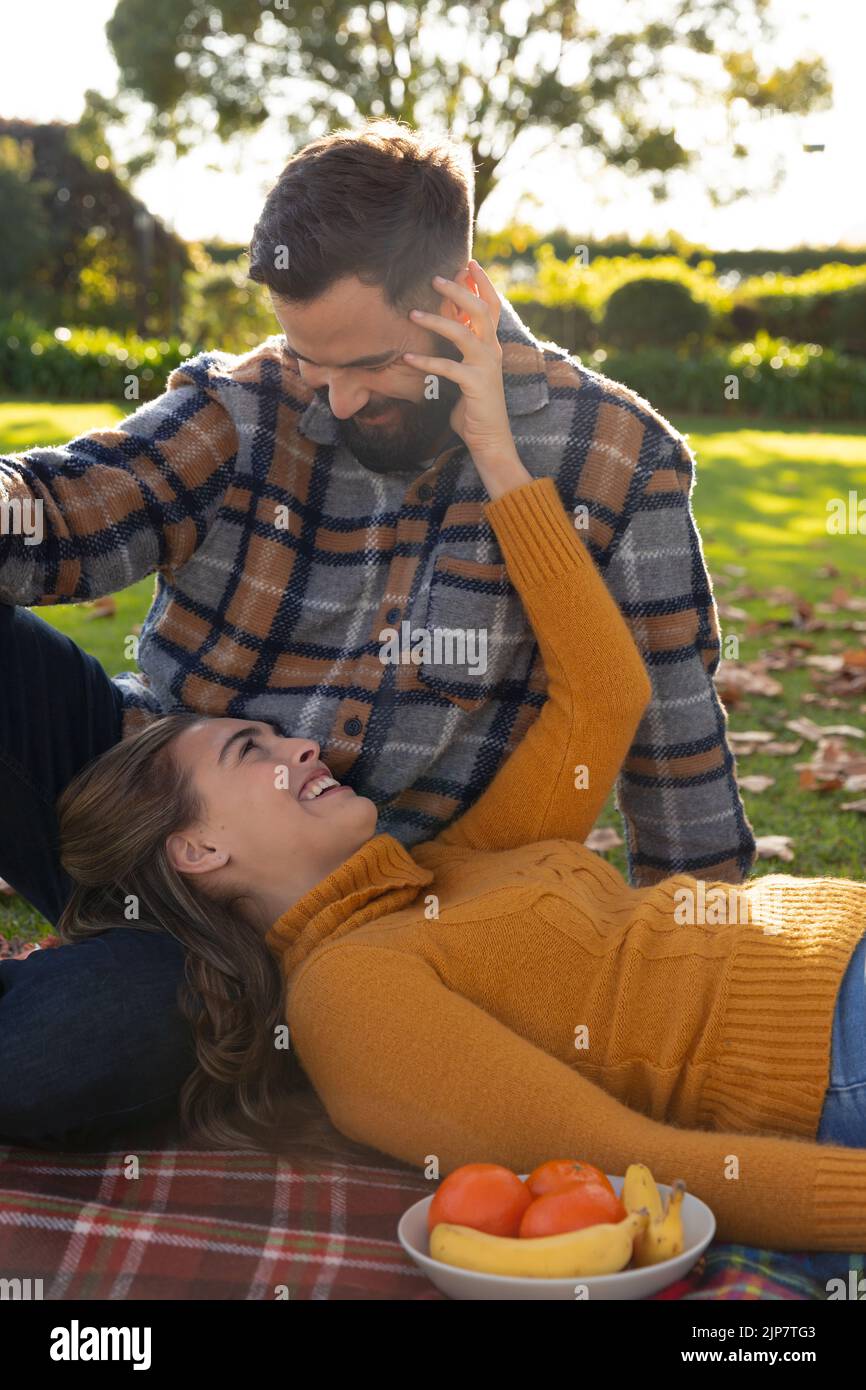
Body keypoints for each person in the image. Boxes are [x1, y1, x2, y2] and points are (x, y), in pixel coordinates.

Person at [50, 268, 866, 1254]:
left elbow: (604, 694)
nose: (300, 742)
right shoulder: (348, 999)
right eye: (248, 748)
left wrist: (494, 449)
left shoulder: (445, 866)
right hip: (833, 1052)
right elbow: (632, 1157)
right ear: (198, 851)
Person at [0, 120, 753, 1146]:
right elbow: (68, 507)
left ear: (457, 298)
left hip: (322, 928)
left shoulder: (617, 459)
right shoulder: (250, 403)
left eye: (364, 364)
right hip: (154, 798)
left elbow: (669, 744)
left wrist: (705, 975)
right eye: (311, 362)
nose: (335, 397)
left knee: (68, 1049)